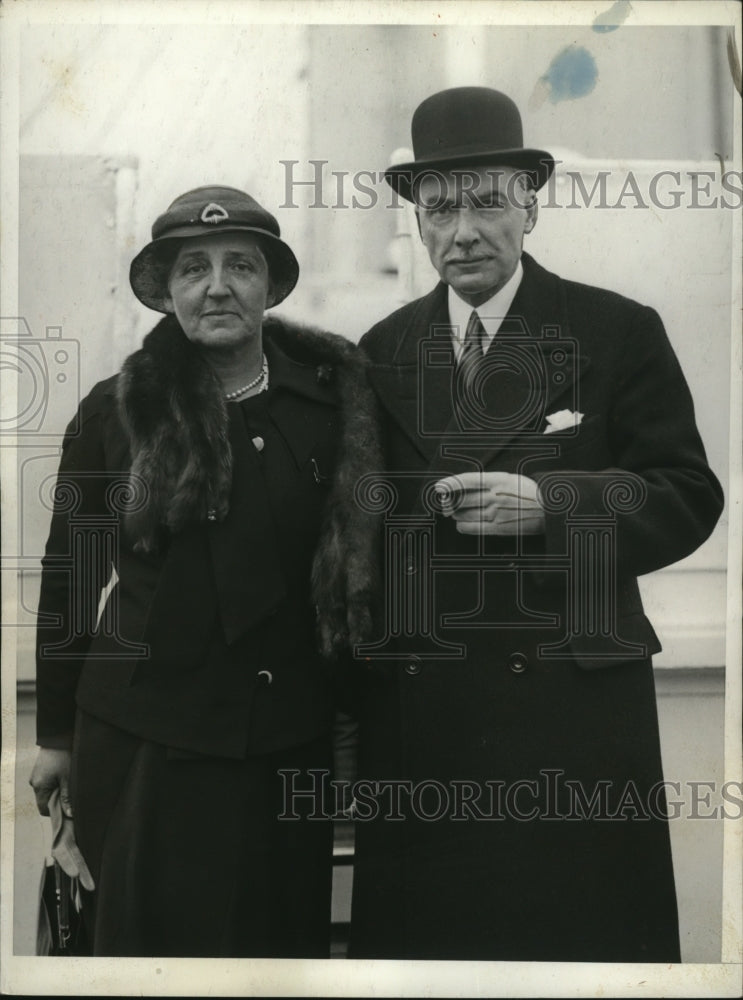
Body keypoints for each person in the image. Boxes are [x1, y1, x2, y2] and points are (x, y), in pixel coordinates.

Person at [348, 87, 724, 962]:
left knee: (576, 948)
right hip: (425, 715)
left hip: (572, 713)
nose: (463, 231)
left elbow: (686, 493)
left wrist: (552, 505)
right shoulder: (381, 348)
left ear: (529, 203)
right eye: (439, 208)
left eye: (486, 201)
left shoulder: (615, 329)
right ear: (415, 219)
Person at [29, 185, 379, 957]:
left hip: (285, 740)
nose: (217, 286)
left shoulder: (331, 408)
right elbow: (71, 577)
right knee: (145, 946)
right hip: (145, 733)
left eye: (240, 267)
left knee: (272, 948)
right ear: (167, 291)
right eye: (193, 269)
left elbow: (357, 565)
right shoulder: (112, 413)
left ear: (270, 286)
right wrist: (55, 734)